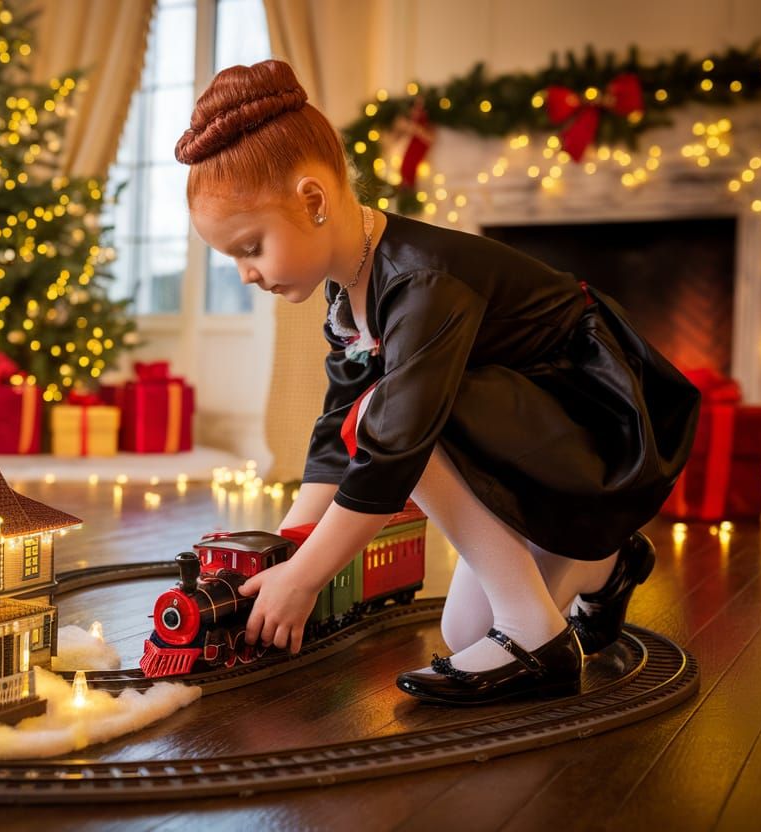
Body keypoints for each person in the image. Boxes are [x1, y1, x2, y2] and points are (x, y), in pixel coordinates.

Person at [175, 59, 700, 705]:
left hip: (598, 424)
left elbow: (392, 445)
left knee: (394, 414)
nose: (246, 274)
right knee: (463, 630)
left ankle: (537, 636)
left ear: (312, 200)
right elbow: (335, 440)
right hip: (529, 433)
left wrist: (308, 579)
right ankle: (607, 563)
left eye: (250, 247)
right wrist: (284, 553)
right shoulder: (346, 296)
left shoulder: (420, 280)